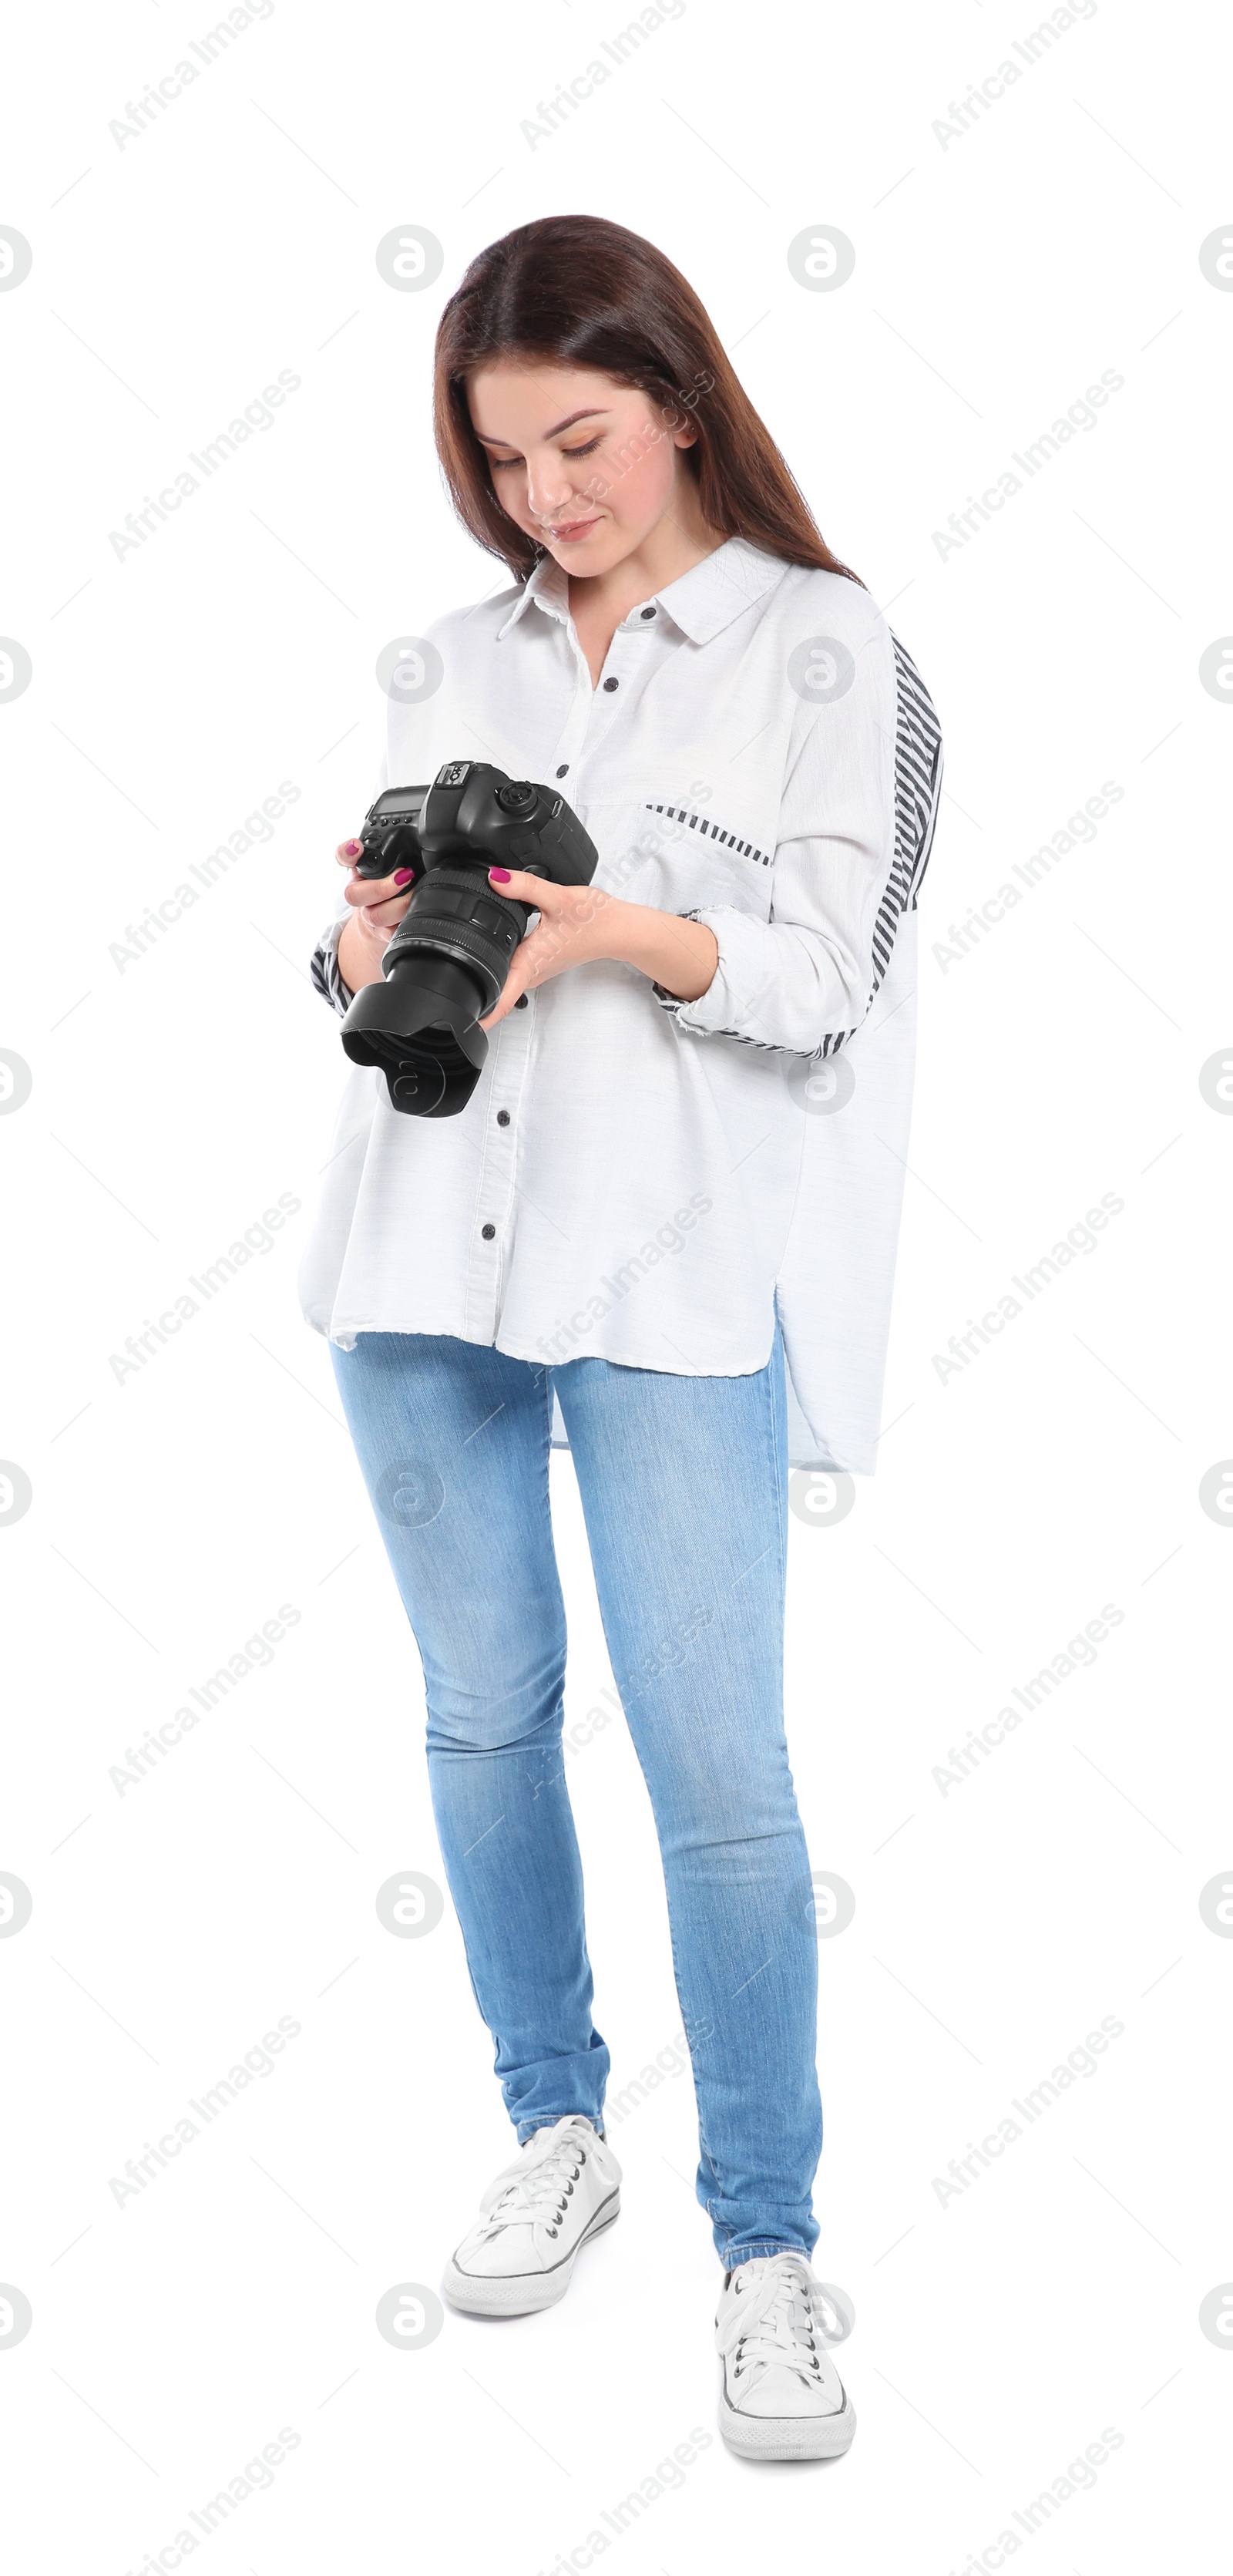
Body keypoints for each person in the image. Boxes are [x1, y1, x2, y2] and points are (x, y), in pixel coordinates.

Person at [300, 213, 941, 2463]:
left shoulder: (824, 648)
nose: (546, 498)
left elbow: (827, 975)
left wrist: (615, 934)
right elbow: (376, 969)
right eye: (502, 462)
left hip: (674, 1270)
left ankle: (767, 2252)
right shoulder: (454, 654)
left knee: (723, 1784)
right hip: (422, 1267)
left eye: (580, 440)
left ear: (680, 396)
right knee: (484, 1728)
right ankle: (550, 2121)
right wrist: (366, 936)